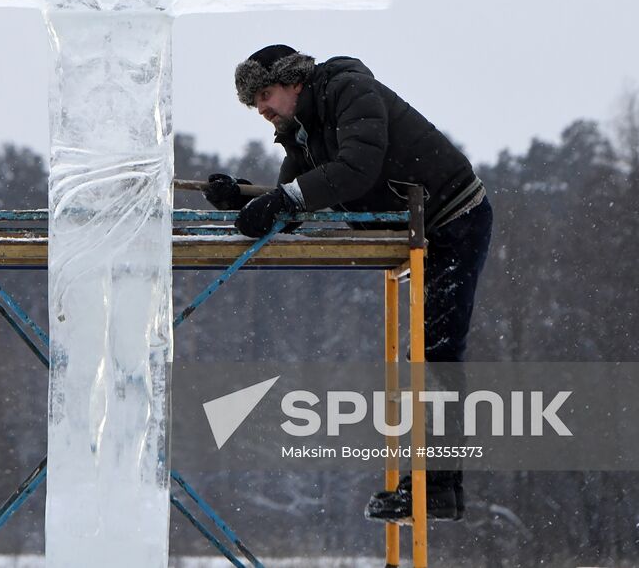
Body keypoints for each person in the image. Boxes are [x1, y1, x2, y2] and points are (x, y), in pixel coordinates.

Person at [204, 44, 493, 523]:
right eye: (254, 102)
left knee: (433, 354)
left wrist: (282, 201)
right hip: (417, 227)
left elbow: (355, 171)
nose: (261, 108)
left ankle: (436, 488)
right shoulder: (300, 128)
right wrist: (240, 198)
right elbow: (293, 202)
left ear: (294, 81)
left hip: (454, 218)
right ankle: (432, 486)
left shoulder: (348, 91)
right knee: (424, 354)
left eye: (266, 94)